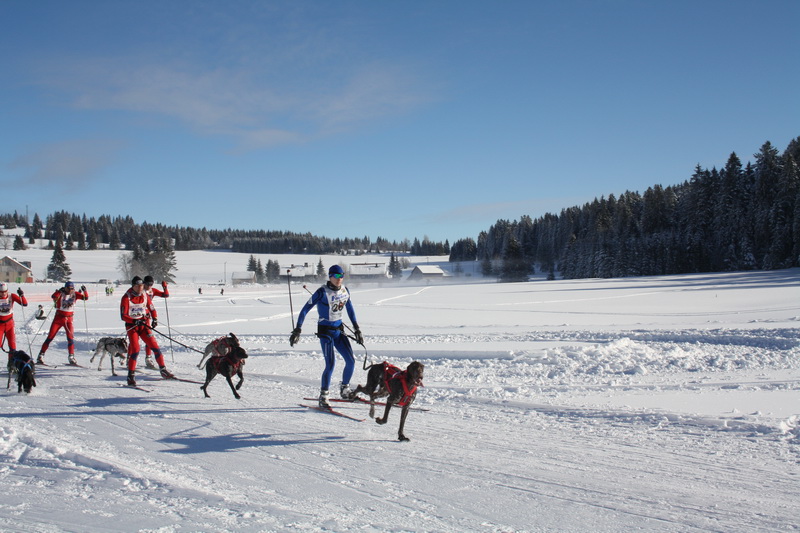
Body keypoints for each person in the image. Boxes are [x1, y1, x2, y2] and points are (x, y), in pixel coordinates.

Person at [290, 265, 364, 408]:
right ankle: (323, 396)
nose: (339, 279)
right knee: (330, 364)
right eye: (336, 276)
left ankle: (345, 389)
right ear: (330, 276)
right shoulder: (322, 292)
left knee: (351, 361)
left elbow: (350, 309)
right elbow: (305, 310)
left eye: (341, 276)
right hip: (325, 332)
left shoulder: (345, 290)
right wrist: (298, 329)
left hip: (339, 330)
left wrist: (357, 329)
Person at [120, 276, 173, 386]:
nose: (140, 288)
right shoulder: (126, 298)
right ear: (133, 286)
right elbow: (123, 315)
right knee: (135, 349)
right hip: (132, 327)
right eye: (138, 286)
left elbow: (151, 307)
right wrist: (133, 321)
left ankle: (163, 370)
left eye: (142, 286)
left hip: (144, 325)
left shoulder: (145, 295)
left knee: (155, 347)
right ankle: (131, 375)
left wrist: (155, 318)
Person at [37, 281, 88, 365]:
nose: (71, 290)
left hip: (69, 320)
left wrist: (85, 290)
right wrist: (59, 291)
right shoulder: (61, 294)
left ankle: (71, 356)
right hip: (59, 319)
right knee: (50, 337)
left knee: (70, 338)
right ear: (66, 288)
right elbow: (53, 296)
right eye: (69, 288)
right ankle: (41, 355)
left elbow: (85, 298)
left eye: (72, 288)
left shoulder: (75, 294)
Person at [142, 275, 169, 369]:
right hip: (137, 318)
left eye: (151, 284)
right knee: (135, 340)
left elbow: (166, 295)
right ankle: (129, 358)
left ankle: (148, 358)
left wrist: (165, 287)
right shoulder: (140, 290)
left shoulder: (152, 290)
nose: (149, 286)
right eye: (147, 284)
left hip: (147, 317)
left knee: (149, 338)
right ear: (143, 283)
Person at [0, 282, 28, 359]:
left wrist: (21, 295)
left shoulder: (11, 296)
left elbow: (24, 304)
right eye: (1, 292)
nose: (3, 294)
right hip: (0, 325)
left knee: (12, 347)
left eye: (5, 291)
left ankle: (11, 364)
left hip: (10, 324)